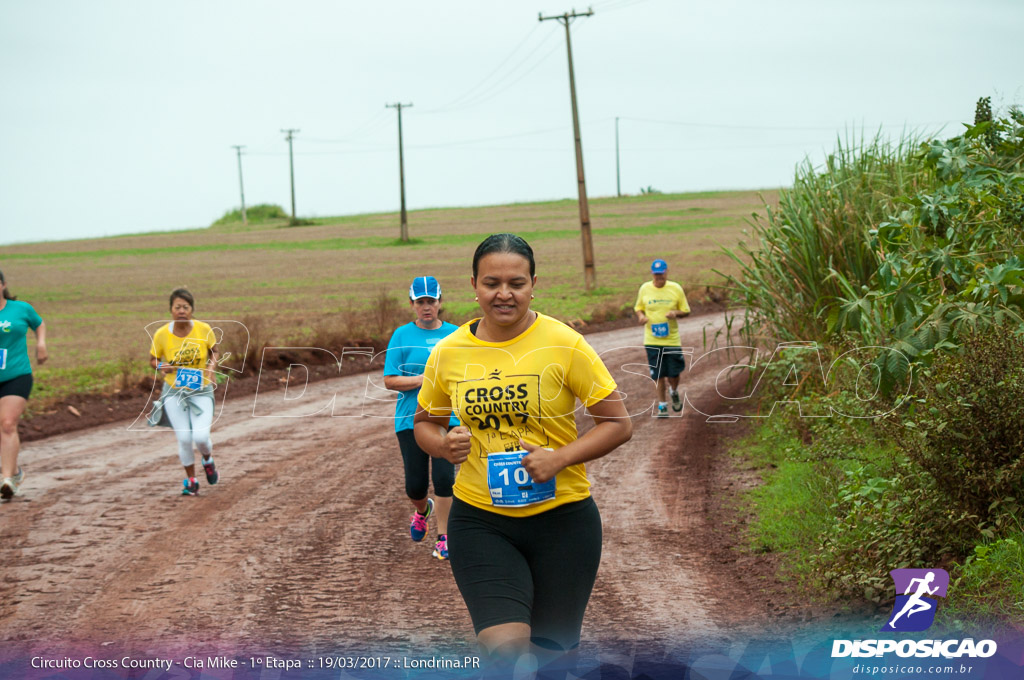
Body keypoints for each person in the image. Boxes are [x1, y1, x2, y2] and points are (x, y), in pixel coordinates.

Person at [414, 234, 632, 676]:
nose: (503, 293)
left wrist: (560, 458)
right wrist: (442, 444)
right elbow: (425, 422)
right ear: (474, 285)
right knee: (508, 655)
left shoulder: (564, 343)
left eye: (516, 282)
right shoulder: (449, 352)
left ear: (534, 284)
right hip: (481, 522)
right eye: (491, 282)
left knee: (554, 662)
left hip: (564, 524)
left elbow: (618, 423)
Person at [383, 276, 460, 560]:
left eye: (432, 301)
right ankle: (421, 509)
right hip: (410, 419)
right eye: (421, 302)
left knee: (444, 479)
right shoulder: (401, 336)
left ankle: (444, 538)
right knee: (414, 485)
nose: (427, 307)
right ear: (412, 304)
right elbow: (390, 380)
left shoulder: (456, 334)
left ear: (440, 302)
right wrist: (422, 380)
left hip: (447, 417)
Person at [147, 289, 220, 496]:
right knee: (185, 438)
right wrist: (162, 366)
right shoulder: (161, 334)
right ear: (171, 310)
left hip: (201, 390)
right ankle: (191, 480)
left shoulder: (203, 329)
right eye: (177, 307)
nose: (181, 311)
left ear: (192, 310)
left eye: (185, 307)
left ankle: (207, 459)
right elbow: (153, 360)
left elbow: (214, 351)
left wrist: (210, 369)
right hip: (174, 392)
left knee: (201, 437)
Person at [0, 269, 47, 500]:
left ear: (3, 285)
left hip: (16, 375)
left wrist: (41, 344)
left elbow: (38, 323)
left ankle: (7, 479)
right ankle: (16, 473)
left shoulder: (20, 309)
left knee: (7, 423)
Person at [634, 258, 690, 417]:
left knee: (673, 373)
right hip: (652, 340)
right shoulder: (645, 288)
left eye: (662, 274)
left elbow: (686, 310)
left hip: (671, 340)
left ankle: (673, 391)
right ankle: (662, 405)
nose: (659, 277)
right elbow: (638, 308)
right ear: (652, 274)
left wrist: (675, 313)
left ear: (667, 272)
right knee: (657, 374)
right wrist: (641, 317)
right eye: (656, 274)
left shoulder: (675, 288)